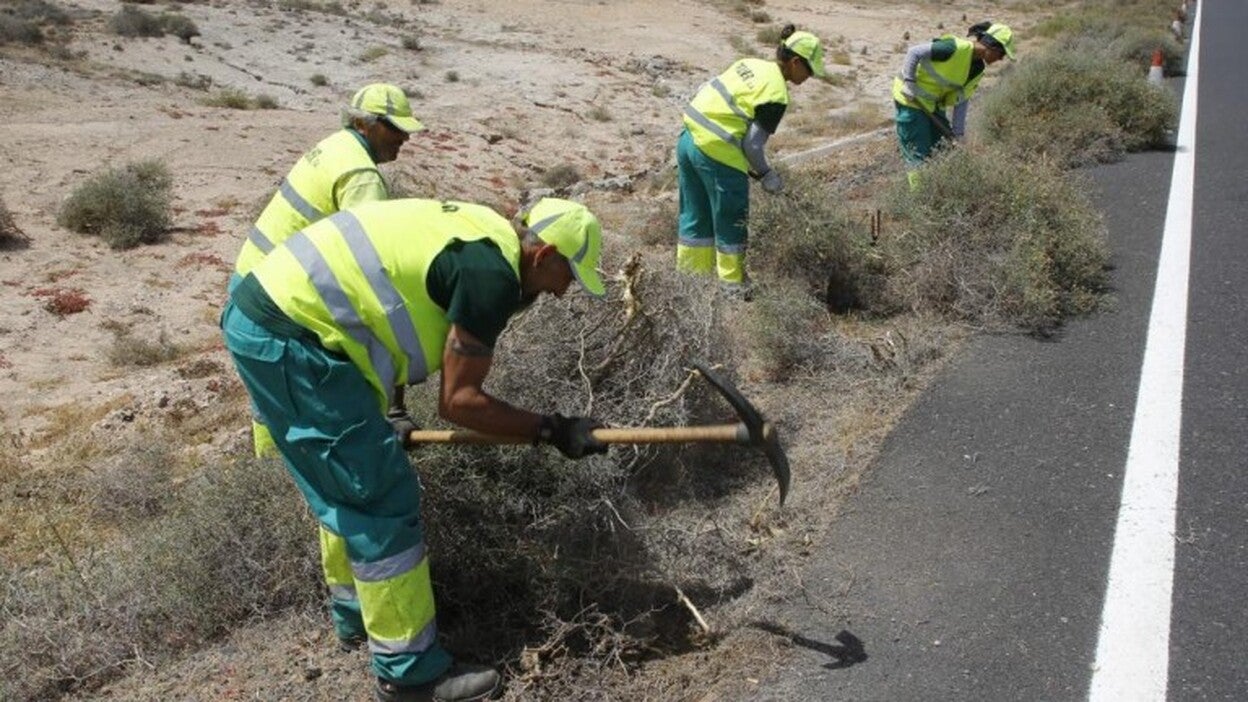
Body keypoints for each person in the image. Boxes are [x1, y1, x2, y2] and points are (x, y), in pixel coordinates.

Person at [221, 196, 609, 702]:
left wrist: (392, 407)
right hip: (293, 338)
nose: (564, 293)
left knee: (347, 483)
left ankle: (356, 616)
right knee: (379, 497)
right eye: (568, 275)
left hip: (279, 320)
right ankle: (410, 676)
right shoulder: (489, 276)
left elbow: (386, 298)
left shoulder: (484, 230)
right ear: (544, 253)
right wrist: (553, 429)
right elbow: (460, 403)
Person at [234, 82, 425, 457]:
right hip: (279, 298)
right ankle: (286, 482)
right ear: (365, 124)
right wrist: (394, 404)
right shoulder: (361, 177)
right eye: (395, 128)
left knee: (271, 394)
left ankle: (268, 479)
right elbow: (374, 275)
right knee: (303, 400)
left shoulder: (333, 146)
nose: (404, 138)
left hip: (249, 282)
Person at [676, 24, 826, 299]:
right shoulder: (777, 94)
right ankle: (732, 290)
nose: (811, 77)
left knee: (695, 217)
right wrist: (768, 175)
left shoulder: (751, 63)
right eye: (810, 70)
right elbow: (753, 145)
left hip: (688, 140)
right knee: (731, 221)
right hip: (717, 153)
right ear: (795, 62)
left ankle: (689, 288)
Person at [892, 22, 1016, 189]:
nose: (1000, 59)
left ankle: (939, 191)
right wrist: (909, 82)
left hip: (932, 105)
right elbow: (914, 52)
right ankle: (919, 199)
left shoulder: (977, 69)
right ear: (993, 46)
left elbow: (962, 101)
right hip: (910, 99)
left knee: (944, 148)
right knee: (918, 153)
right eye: (1002, 54)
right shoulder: (954, 48)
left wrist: (958, 135)